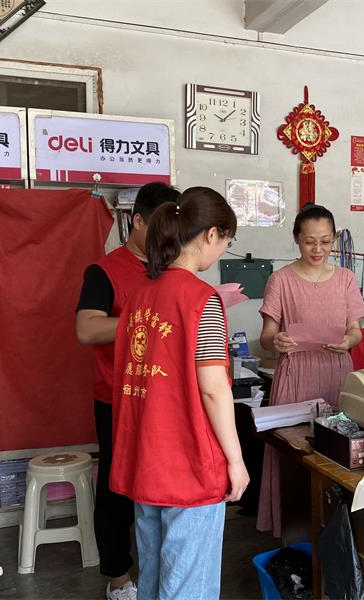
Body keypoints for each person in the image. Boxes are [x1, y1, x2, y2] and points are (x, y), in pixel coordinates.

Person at [109, 187, 249, 600]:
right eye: (226, 241)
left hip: (146, 459)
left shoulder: (139, 296)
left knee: (154, 579)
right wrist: (236, 461)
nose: (221, 251)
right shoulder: (202, 300)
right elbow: (213, 390)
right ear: (211, 235)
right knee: (189, 587)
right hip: (190, 462)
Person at [75, 182, 179, 600]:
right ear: (137, 221)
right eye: (160, 228)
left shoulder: (173, 269)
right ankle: (118, 577)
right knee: (117, 487)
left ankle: (161, 567)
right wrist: (144, 320)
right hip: (117, 398)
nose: (167, 239)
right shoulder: (105, 271)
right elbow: (87, 329)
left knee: (160, 484)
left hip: (165, 398)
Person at [257, 203, 364, 537]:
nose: (318, 249)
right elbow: (266, 336)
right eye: (309, 242)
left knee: (339, 451)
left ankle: (338, 530)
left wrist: (349, 340)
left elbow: (356, 330)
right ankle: (294, 531)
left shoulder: (346, 279)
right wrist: (276, 341)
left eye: (325, 241)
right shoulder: (280, 280)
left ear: (334, 239)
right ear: (296, 239)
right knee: (292, 453)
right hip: (295, 375)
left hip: (336, 374)